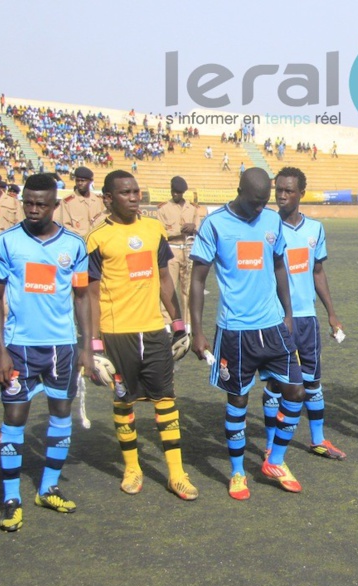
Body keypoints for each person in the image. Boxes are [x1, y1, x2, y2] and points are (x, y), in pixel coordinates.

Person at [0, 174, 92, 531]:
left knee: (61, 415)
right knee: (14, 419)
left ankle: (48, 487)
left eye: (40, 204)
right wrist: (0, 351)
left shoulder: (74, 246)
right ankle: (12, 497)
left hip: (61, 347)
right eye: (27, 202)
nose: (32, 209)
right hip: (19, 348)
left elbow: (81, 297)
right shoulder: (6, 242)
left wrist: (86, 347)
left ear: (54, 205)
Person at [189, 169, 306, 497]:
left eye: (263, 203)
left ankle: (276, 460)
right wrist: (198, 332)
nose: (259, 209)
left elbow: (280, 264)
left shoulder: (271, 221)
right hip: (235, 331)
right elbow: (197, 279)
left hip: (273, 326)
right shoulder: (214, 225)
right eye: (254, 202)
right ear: (238, 190)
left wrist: (288, 313)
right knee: (238, 401)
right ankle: (238, 472)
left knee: (297, 391)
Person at [86, 170, 198, 500]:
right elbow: (90, 295)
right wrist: (94, 344)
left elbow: (165, 279)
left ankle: (176, 473)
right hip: (116, 333)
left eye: (136, 191)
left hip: (153, 330)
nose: (134, 197)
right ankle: (132, 468)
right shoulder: (97, 238)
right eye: (125, 193)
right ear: (108, 198)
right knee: (124, 399)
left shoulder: (152, 229)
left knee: (166, 399)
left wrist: (178, 323)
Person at [258, 167, 347, 462]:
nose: (282, 195)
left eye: (288, 190)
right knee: (275, 382)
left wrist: (331, 314)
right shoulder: (266, 226)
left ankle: (318, 439)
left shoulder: (315, 229)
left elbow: (318, 272)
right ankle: (270, 443)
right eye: (278, 190)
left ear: (301, 194)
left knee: (312, 380)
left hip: (307, 318)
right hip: (276, 318)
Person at [154, 176, 198, 328]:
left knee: (188, 288)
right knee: (169, 287)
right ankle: (167, 322)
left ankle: (188, 323)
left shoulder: (192, 209)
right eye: (173, 192)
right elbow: (160, 233)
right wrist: (179, 231)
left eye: (178, 192)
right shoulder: (163, 208)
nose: (175, 195)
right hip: (171, 250)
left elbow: (199, 228)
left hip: (188, 249)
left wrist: (194, 227)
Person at [57, 167, 105, 239]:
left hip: (97, 241)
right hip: (77, 240)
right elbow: (65, 226)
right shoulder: (67, 202)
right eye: (77, 181)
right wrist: (86, 235)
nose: (80, 183)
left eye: (83, 181)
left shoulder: (99, 200)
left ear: (91, 181)